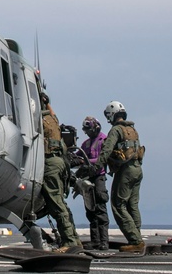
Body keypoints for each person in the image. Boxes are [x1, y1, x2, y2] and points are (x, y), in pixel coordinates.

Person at [96, 100, 145, 253]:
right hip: (137, 170)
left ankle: (135, 240)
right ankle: (137, 236)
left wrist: (97, 166)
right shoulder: (132, 129)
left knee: (118, 205)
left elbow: (107, 150)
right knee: (132, 205)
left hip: (126, 171)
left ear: (112, 114)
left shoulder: (116, 130)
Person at [37, 92, 83, 253]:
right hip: (61, 163)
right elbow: (53, 113)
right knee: (62, 204)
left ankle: (69, 242)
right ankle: (75, 239)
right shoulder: (52, 120)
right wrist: (47, 102)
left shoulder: (38, 120)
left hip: (50, 163)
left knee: (56, 204)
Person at [78, 116, 110, 250]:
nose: (88, 133)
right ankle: (95, 240)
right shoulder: (85, 144)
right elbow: (78, 157)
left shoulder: (105, 140)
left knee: (100, 208)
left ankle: (104, 241)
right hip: (87, 179)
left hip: (98, 177)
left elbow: (103, 158)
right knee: (90, 209)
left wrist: (86, 162)